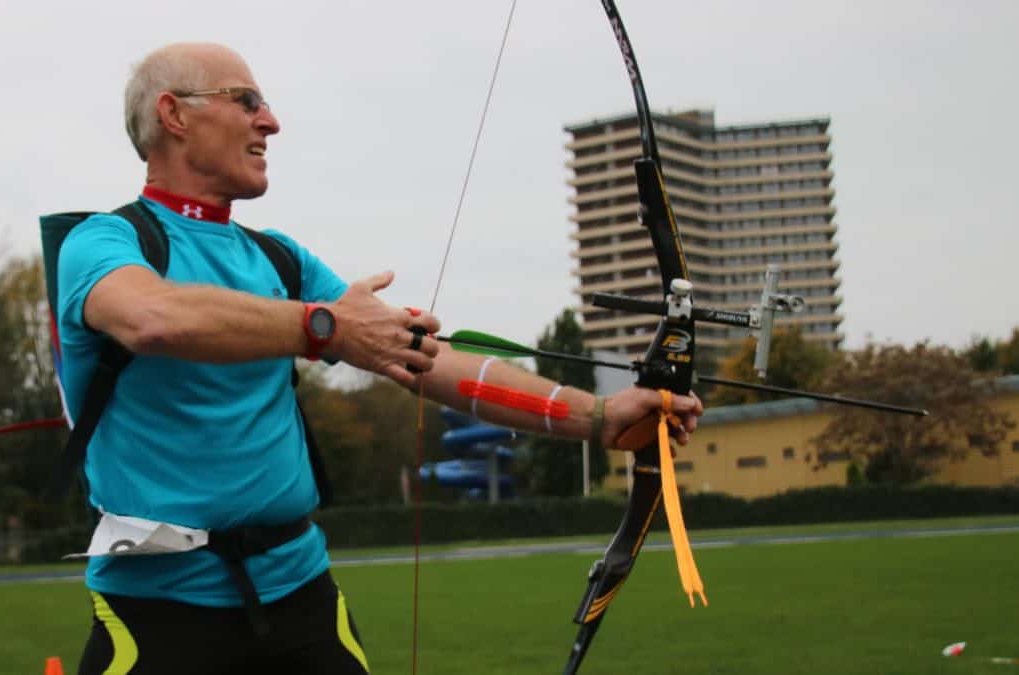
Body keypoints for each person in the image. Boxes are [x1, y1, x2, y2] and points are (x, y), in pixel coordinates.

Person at [58, 42, 704, 675]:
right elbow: (153, 317)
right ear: (174, 115)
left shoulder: (279, 259)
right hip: (155, 613)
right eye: (246, 101)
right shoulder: (105, 242)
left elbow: (431, 360)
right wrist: (325, 327)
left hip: (300, 598)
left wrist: (597, 416)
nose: (270, 121)